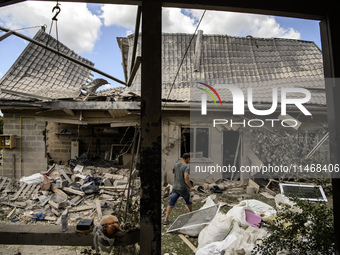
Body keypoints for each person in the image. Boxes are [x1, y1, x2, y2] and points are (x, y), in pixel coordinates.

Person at [164, 153, 195, 225]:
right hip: (183, 188)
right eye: (189, 159)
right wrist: (190, 187)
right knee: (189, 201)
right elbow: (186, 177)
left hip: (175, 187)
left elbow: (173, 171)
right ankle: (191, 215)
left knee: (171, 203)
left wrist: (178, 173)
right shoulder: (186, 166)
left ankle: (166, 219)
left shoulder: (176, 164)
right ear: (187, 158)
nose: (189, 160)